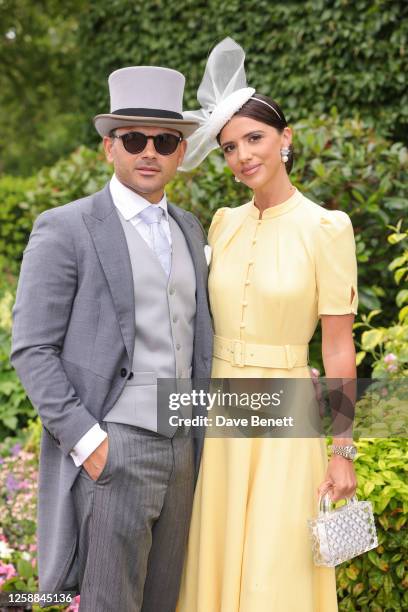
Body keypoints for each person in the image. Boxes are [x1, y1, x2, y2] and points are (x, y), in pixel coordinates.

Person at [10, 65, 213, 611]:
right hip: (115, 444)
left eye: (164, 140)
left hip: (185, 448)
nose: (149, 151)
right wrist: (89, 443)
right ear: (109, 148)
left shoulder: (190, 229)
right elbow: (31, 348)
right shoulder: (67, 227)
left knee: (164, 601)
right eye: (134, 138)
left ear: (179, 152)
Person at [176, 38, 358, 611]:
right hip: (217, 409)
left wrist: (343, 448)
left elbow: (336, 347)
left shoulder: (327, 228)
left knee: (273, 568)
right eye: (229, 147)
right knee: (213, 554)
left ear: (285, 139)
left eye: (254, 138)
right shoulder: (223, 224)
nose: (242, 156)